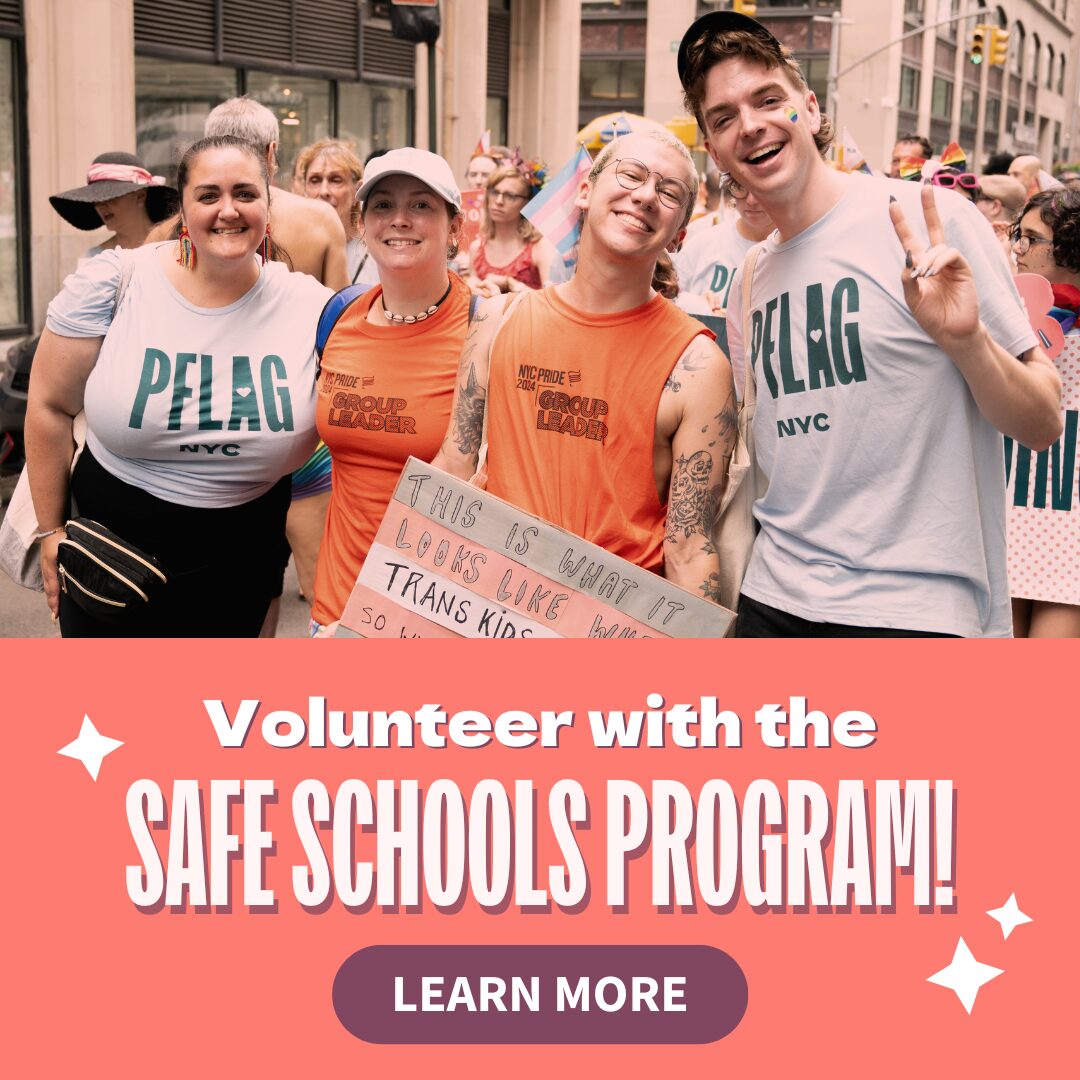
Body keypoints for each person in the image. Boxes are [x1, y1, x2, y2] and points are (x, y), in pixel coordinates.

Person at [677, 9, 1062, 637]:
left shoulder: (927, 219)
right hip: (774, 604)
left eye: (767, 99)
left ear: (810, 107)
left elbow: (1043, 423)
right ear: (714, 149)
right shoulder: (750, 278)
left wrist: (967, 344)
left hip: (914, 614)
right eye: (723, 118)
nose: (750, 125)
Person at [26, 135, 331, 637]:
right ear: (183, 208)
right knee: (111, 712)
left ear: (267, 204)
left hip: (244, 556)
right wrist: (50, 530)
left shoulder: (310, 304)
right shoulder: (116, 282)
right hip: (114, 557)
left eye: (245, 194)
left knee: (218, 711)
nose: (227, 211)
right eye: (208, 195)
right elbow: (48, 405)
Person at [433, 130, 737, 607]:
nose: (644, 195)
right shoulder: (497, 320)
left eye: (668, 191)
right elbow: (453, 466)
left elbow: (689, 546)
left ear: (680, 234)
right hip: (489, 615)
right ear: (584, 191)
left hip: (613, 632)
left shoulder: (698, 365)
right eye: (631, 174)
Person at [310, 148, 473, 633]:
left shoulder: (487, 329)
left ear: (455, 228)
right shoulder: (338, 316)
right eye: (382, 205)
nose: (399, 220)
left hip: (434, 618)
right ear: (363, 224)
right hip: (335, 611)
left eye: (421, 205)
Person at [1006, 188, 1080, 637]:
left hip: (1070, 528)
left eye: (1031, 239)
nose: (1018, 249)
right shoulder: (1002, 317)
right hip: (1007, 514)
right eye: (1018, 236)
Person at [674, 174, 773, 317]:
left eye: (761, 188)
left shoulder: (796, 251)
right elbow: (666, 299)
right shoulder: (702, 244)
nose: (751, 200)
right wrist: (693, 304)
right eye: (740, 187)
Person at [50, 151, 178, 260]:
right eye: (96, 199)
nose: (100, 206)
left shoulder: (176, 247)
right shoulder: (95, 258)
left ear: (140, 196)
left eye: (109, 197)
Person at [295, 138, 378, 287]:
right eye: (315, 180)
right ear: (304, 189)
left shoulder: (376, 253)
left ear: (356, 191)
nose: (324, 191)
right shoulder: (291, 251)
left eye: (335, 180)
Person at [467, 164, 557, 297]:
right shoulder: (476, 248)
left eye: (510, 196)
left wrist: (510, 283)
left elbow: (552, 302)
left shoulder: (540, 246)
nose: (498, 201)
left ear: (528, 202)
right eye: (494, 192)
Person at [975, 173, 1028, 258]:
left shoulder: (991, 248)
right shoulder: (1021, 249)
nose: (969, 203)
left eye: (974, 198)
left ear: (995, 206)